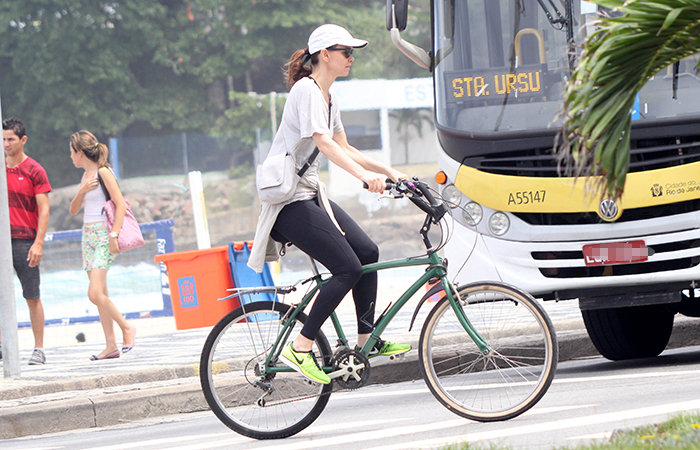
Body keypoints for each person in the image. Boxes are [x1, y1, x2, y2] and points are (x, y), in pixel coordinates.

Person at [248, 24, 411, 385]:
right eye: (346, 52)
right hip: (289, 203)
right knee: (347, 268)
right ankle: (301, 347)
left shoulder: (329, 96)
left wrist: (390, 172)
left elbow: (345, 146)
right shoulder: (307, 90)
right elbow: (325, 144)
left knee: (367, 252)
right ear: (325, 55)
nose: (351, 58)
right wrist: (363, 178)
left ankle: (367, 340)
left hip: (310, 196)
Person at [69, 130, 135, 361]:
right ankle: (110, 345)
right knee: (101, 294)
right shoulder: (86, 175)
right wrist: (81, 191)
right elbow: (74, 210)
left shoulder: (104, 172)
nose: (70, 156)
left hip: (104, 235)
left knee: (94, 293)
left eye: (71, 152)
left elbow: (120, 205)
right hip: (87, 237)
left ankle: (127, 328)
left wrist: (114, 236)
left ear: (79, 152)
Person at [1, 118, 51, 365]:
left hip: (25, 241)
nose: (6, 143)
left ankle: (39, 348)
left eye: (10, 139)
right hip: (2, 241)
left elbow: (44, 209)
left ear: (23, 140)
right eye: (3, 138)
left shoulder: (35, 170)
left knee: (32, 295)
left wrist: (38, 242)